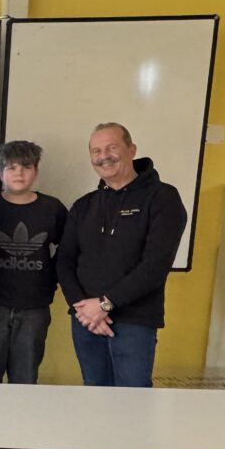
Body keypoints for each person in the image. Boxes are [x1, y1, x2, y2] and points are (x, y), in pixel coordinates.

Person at [57, 122, 186, 387]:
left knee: (132, 401)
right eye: (96, 151)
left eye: (112, 147)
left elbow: (155, 265)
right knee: (95, 396)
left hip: (134, 322)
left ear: (132, 150)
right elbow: (64, 261)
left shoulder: (162, 198)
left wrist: (104, 305)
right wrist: (83, 308)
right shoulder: (84, 205)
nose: (104, 156)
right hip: (86, 322)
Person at [0, 141, 67, 385]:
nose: (19, 173)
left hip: (34, 306)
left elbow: (69, 250)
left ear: (36, 171)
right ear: (0, 172)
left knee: (25, 378)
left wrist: (52, 277)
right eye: (11, 167)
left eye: (26, 167)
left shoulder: (52, 208)